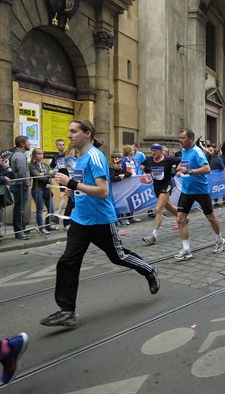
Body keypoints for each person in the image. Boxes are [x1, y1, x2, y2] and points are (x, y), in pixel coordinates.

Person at [40, 119, 159, 327]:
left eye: (73, 131)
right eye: (68, 131)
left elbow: (103, 192)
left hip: (100, 220)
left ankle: (149, 270)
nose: (69, 135)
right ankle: (67, 311)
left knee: (118, 256)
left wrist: (72, 183)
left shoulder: (94, 157)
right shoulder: (80, 158)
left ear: (87, 134)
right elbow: (84, 186)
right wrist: (73, 190)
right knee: (68, 261)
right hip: (80, 219)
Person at [174, 128, 225, 260]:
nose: (180, 140)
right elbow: (184, 164)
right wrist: (179, 169)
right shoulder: (184, 151)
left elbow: (207, 169)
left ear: (190, 139)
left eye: (183, 138)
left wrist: (190, 171)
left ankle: (219, 239)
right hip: (187, 191)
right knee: (180, 219)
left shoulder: (197, 151)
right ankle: (186, 249)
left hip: (201, 191)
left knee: (210, 218)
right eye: (179, 138)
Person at [140, 144, 181, 245]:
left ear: (161, 151)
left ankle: (154, 235)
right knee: (170, 207)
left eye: (155, 151)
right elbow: (141, 165)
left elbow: (180, 160)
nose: (153, 153)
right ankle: (183, 217)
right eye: (152, 150)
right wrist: (146, 170)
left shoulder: (168, 159)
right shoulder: (150, 159)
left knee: (158, 209)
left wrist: (176, 169)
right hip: (156, 187)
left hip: (166, 185)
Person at [29, 148, 58, 235]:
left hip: (47, 189)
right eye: (38, 154)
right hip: (38, 189)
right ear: (34, 156)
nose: (41, 155)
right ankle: (41, 228)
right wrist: (47, 174)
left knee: (51, 209)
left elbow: (53, 174)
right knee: (40, 210)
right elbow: (38, 177)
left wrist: (45, 174)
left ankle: (48, 225)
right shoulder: (32, 166)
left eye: (41, 154)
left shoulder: (46, 165)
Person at [9, 136, 31, 240]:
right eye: (28, 142)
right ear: (22, 144)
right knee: (19, 209)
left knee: (20, 209)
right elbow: (23, 173)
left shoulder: (19, 154)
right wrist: (27, 184)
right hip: (20, 186)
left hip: (19, 185)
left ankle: (21, 228)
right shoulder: (20, 156)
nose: (29, 144)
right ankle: (19, 231)